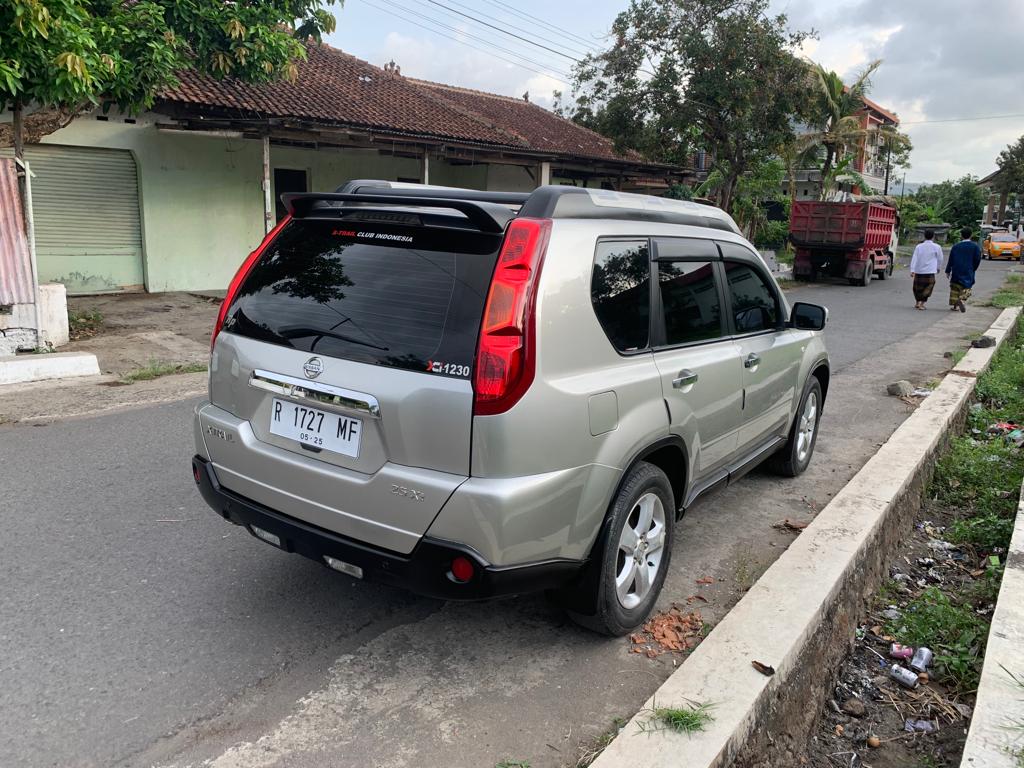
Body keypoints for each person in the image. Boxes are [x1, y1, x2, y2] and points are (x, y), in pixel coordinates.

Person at [945, 227, 982, 313]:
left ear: (961, 235)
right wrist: (973, 268)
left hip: (956, 270)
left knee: (955, 288)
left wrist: (948, 270)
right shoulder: (975, 247)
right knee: (967, 287)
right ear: (971, 235)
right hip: (968, 270)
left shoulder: (956, 246)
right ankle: (962, 300)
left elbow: (951, 259)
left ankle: (955, 306)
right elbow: (977, 259)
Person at [909, 229, 943, 309]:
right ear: (933, 236)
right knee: (928, 287)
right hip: (930, 271)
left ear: (924, 236)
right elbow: (940, 259)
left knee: (917, 287)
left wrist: (912, 270)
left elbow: (915, 258)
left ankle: (917, 302)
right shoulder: (937, 247)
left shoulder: (919, 246)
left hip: (919, 270)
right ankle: (922, 303)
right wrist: (938, 267)